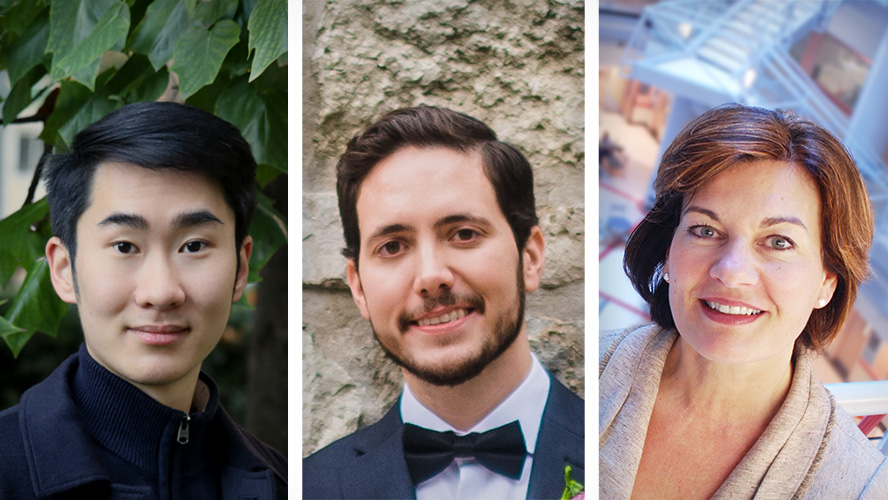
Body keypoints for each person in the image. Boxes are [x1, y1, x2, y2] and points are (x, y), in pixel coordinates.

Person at [0, 102, 287, 499]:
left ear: (240, 269)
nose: (161, 292)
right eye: (124, 246)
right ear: (65, 270)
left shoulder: (279, 482)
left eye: (193, 245)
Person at [600, 103, 887, 499]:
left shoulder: (860, 487)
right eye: (705, 230)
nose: (731, 272)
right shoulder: (584, 380)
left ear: (827, 281)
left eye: (779, 242)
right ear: (668, 252)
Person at [303, 106, 584, 499]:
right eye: (393, 246)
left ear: (530, 257)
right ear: (358, 287)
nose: (431, 277)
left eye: (464, 234)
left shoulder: (618, 450)